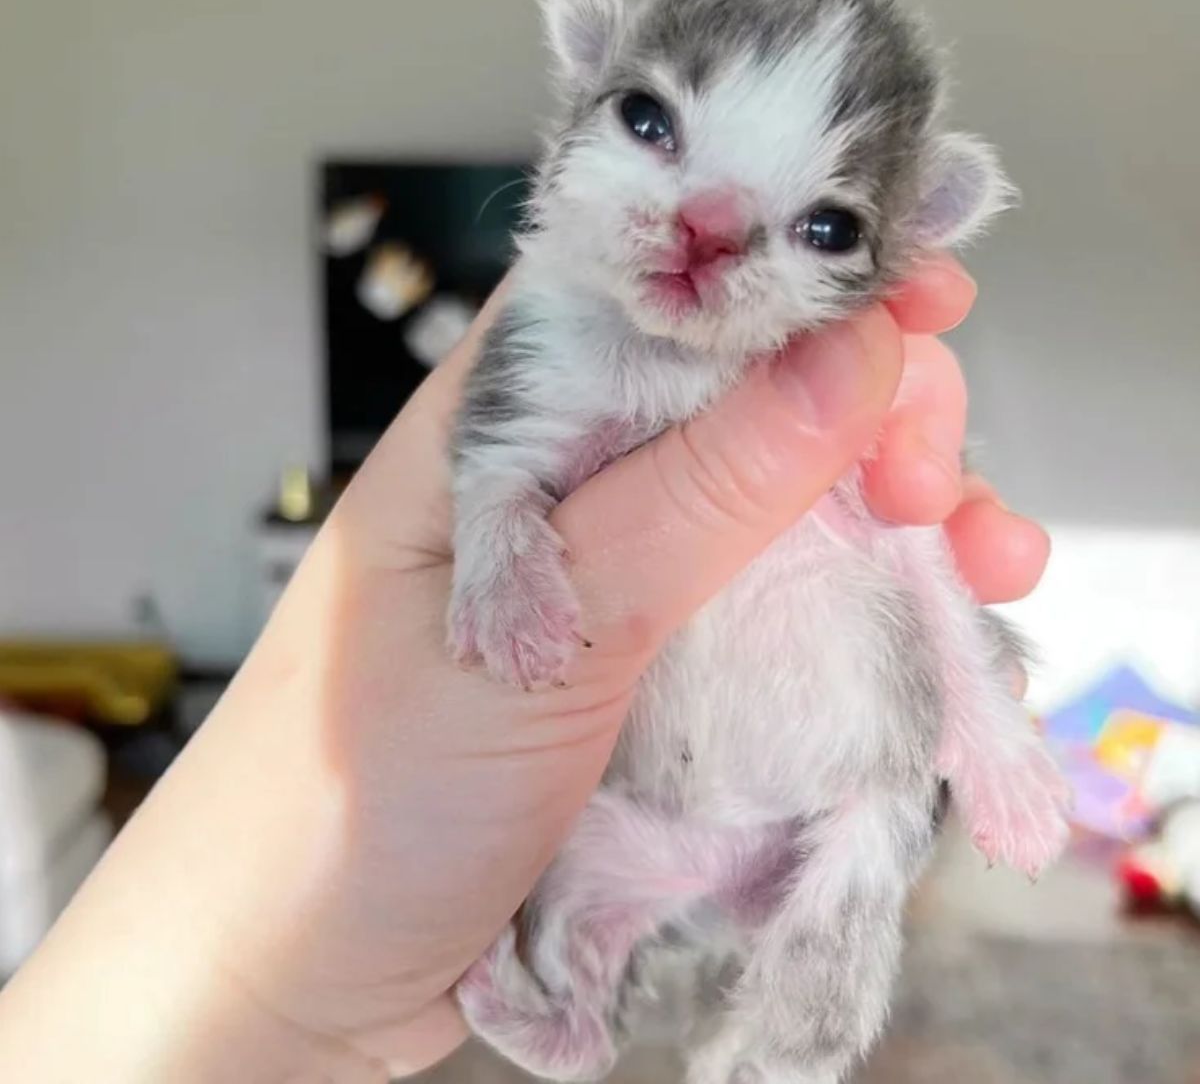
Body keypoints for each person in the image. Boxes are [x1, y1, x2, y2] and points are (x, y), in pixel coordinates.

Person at [0, 257, 1048, 1082]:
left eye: (823, 230)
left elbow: (927, 586)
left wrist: (985, 740)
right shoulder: (582, 361)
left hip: (824, 784)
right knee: (587, 871)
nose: (709, 251)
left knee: (867, 844)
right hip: (642, 800)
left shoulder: (851, 413)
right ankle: (576, 1004)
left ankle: (786, 1057)